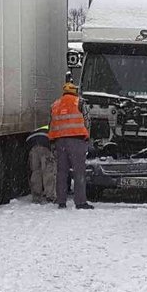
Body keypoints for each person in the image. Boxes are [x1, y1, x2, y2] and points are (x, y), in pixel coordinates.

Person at [49, 81, 93, 210]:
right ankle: (80, 202)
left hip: (59, 141)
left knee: (61, 172)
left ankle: (61, 201)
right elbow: (87, 120)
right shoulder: (80, 102)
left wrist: (52, 142)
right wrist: (87, 137)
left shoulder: (55, 104)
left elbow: (50, 123)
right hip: (76, 140)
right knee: (79, 172)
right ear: (75, 91)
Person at [26, 126, 55, 204]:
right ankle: (50, 195)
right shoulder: (51, 128)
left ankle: (36, 196)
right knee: (48, 172)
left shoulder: (36, 128)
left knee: (36, 172)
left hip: (32, 146)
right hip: (45, 146)